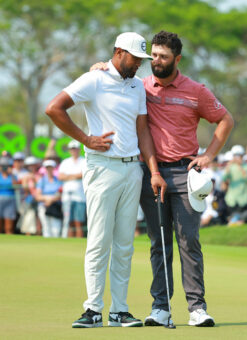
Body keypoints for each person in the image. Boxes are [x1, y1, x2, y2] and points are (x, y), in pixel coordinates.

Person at [90, 30, 233, 327]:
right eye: (153, 55)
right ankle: (161, 308)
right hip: (151, 173)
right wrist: (100, 68)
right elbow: (113, 79)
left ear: (177, 59)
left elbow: (225, 120)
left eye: (163, 57)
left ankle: (197, 308)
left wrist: (209, 155)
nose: (155, 61)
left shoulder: (196, 90)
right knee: (158, 243)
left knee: (188, 240)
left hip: (185, 173)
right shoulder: (140, 86)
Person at [45, 32, 166, 328]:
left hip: (131, 170)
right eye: (135, 58)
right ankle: (93, 309)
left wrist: (153, 171)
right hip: (102, 168)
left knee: (125, 244)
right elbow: (54, 108)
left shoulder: (137, 86)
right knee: (99, 241)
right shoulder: (94, 80)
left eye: (142, 60)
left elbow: (143, 132)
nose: (139, 64)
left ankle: (119, 311)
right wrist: (86, 138)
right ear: (119, 52)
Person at [58, 140, 86, 238]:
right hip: (67, 196)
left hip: (80, 197)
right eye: (72, 149)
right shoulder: (65, 162)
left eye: (75, 149)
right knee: (69, 222)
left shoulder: (84, 161)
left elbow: (83, 175)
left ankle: (78, 242)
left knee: (78, 222)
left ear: (79, 149)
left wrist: (68, 176)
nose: (74, 151)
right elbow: (60, 176)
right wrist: (76, 176)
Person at [35, 160, 63, 237]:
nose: (49, 170)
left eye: (51, 168)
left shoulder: (58, 180)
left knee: (56, 228)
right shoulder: (42, 180)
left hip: (55, 206)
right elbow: (38, 196)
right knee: (46, 228)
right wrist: (47, 199)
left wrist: (51, 200)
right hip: (44, 206)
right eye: (48, 168)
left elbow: (61, 193)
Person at [0, 156, 17, 234]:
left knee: (9, 227)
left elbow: (15, 187)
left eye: (5, 166)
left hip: (10, 200)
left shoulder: (12, 176)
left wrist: (12, 174)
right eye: (2, 166)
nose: (4, 167)